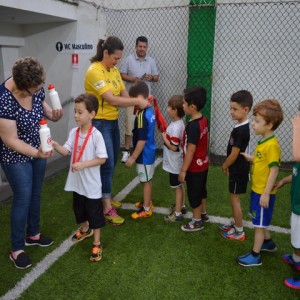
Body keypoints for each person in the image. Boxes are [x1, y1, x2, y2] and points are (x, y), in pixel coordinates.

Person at [0, 56, 63, 269]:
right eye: (34, 90)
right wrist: (36, 153)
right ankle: (17, 248)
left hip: (39, 149)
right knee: (23, 197)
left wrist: (54, 115)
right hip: (15, 156)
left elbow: (43, 111)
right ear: (21, 85)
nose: (38, 92)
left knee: (36, 192)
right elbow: (10, 140)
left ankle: (33, 234)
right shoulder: (4, 99)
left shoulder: (35, 89)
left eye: (39, 88)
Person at [84, 36, 149, 226]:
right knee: (107, 163)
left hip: (112, 122)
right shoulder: (94, 71)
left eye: (119, 59)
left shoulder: (113, 71)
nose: (117, 62)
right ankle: (106, 208)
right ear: (105, 53)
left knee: (110, 164)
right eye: (115, 58)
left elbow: (123, 93)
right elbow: (112, 99)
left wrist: (137, 105)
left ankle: (106, 197)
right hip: (99, 123)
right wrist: (137, 102)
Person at [52, 94, 107, 262]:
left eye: (80, 112)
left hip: (91, 185)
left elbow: (102, 158)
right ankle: (85, 230)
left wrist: (83, 164)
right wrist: (54, 145)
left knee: (94, 214)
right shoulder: (74, 132)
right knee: (79, 209)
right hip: (77, 183)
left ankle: (97, 243)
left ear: (92, 114)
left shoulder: (96, 135)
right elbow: (66, 151)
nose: (76, 115)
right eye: (75, 112)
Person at [237, 99, 284, 267]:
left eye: (257, 121)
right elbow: (261, 161)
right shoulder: (263, 141)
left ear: (269, 125)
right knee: (260, 221)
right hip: (257, 190)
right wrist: (250, 158)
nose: (253, 124)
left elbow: (274, 170)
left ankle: (256, 256)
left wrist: (265, 193)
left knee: (258, 225)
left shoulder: (272, 145)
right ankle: (268, 243)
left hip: (263, 193)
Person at [219, 90, 253, 241]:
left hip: (239, 170)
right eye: (230, 108)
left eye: (235, 109)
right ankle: (235, 225)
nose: (231, 112)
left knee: (234, 199)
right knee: (233, 197)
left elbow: (234, 155)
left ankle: (239, 232)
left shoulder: (243, 130)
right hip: (237, 169)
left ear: (245, 110)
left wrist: (225, 165)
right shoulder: (240, 126)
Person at [120, 36, 159, 163]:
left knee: (144, 125)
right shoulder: (129, 59)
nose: (142, 49)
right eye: (140, 46)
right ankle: (126, 151)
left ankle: (142, 149)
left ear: (147, 48)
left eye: (144, 47)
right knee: (129, 125)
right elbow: (122, 75)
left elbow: (157, 77)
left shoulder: (151, 61)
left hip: (145, 101)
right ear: (136, 47)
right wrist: (133, 79)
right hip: (131, 100)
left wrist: (151, 77)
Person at [274, 113, 300, 289]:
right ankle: (296, 258)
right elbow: (297, 171)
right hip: (296, 204)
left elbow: (297, 156)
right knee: (296, 237)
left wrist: (296, 128)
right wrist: (284, 180)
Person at [179, 86, 209, 232]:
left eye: (184, 103)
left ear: (192, 106)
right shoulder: (204, 120)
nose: (182, 106)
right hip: (204, 164)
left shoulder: (192, 126)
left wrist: (183, 170)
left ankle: (196, 221)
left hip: (194, 167)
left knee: (194, 193)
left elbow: (190, 150)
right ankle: (203, 213)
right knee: (202, 190)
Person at [125, 81, 156, 219]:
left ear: (138, 97)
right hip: (149, 152)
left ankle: (147, 208)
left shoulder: (142, 116)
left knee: (145, 181)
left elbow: (142, 140)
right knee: (148, 179)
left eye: (132, 99)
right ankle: (147, 201)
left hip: (144, 155)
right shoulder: (149, 110)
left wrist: (132, 157)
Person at [161, 95, 186, 222]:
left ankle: (177, 214)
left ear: (175, 110)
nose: (167, 109)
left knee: (176, 187)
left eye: (169, 107)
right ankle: (181, 206)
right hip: (177, 161)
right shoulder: (178, 123)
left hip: (175, 162)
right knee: (180, 185)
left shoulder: (176, 127)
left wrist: (164, 138)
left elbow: (174, 147)